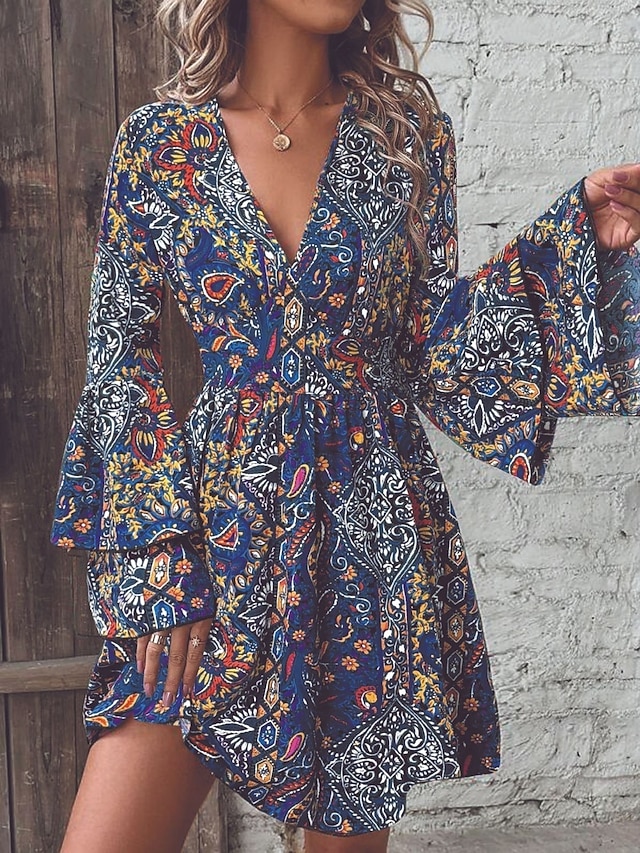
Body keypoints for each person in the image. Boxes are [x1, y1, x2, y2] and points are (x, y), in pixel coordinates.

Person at [51, 1, 640, 851]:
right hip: (214, 537)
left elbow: (434, 349)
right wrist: (158, 565)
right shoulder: (159, 145)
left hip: (368, 540)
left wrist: (576, 242)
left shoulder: (404, 135)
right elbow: (119, 361)